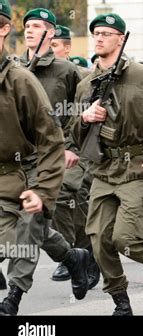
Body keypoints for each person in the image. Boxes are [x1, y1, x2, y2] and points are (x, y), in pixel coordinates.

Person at [71, 13, 143, 315]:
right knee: (99, 242)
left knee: (127, 238)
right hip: (103, 170)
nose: (99, 38)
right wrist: (84, 118)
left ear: (121, 39)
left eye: (107, 33)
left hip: (139, 167)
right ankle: (121, 301)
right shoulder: (86, 85)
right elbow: (72, 131)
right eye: (96, 33)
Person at [0, 1, 89, 315]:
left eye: (38, 26)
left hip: (42, 161)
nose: (31, 31)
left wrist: (72, 150)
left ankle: (13, 297)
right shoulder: (16, 66)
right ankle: (71, 257)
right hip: (10, 166)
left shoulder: (62, 71)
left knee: (30, 225)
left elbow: (79, 116)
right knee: (20, 232)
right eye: (29, 26)